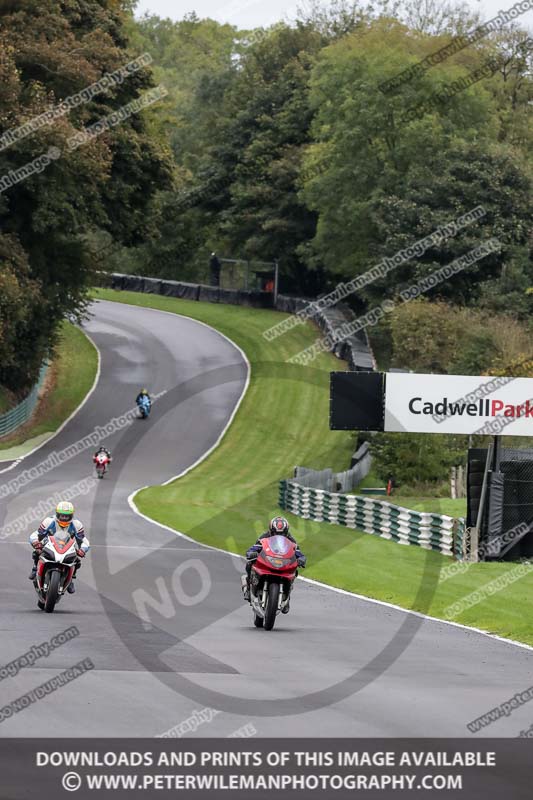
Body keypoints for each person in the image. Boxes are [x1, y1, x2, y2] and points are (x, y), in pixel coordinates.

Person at [242, 516, 306, 612]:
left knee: (295, 571)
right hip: (267, 561)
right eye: (276, 533)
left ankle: (287, 597)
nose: (279, 535)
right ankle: (248, 587)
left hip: (283, 563)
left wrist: (301, 559)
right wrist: (251, 552)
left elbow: (298, 552)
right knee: (249, 563)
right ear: (271, 530)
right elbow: (254, 548)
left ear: (286, 531)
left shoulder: (291, 540)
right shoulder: (264, 537)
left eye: (282, 534)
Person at [28, 501, 90, 594]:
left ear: (71, 516)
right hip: (49, 545)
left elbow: (83, 540)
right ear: (57, 514)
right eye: (62, 515)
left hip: (67, 547)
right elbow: (36, 534)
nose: (64, 518)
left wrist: (83, 549)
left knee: (77, 561)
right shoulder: (48, 521)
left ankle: (71, 579)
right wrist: (36, 542)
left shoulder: (77, 525)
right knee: (37, 551)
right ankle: (35, 568)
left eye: (67, 516)